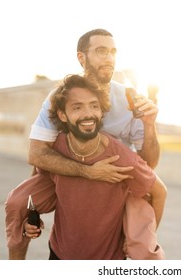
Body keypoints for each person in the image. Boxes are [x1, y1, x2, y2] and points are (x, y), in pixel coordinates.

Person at [5, 29, 161, 259]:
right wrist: (33, 205)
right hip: (70, 170)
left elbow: (149, 164)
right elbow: (38, 154)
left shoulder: (130, 99)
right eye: (100, 51)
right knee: (18, 203)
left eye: (112, 52)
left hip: (116, 176)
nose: (109, 58)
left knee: (144, 236)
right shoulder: (59, 98)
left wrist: (149, 125)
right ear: (82, 57)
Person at [29, 74, 166, 259]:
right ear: (62, 114)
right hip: (59, 254)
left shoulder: (120, 157)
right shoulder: (55, 150)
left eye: (94, 106)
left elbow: (159, 192)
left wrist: (141, 239)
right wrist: (29, 217)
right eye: (77, 107)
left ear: (102, 111)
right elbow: (36, 181)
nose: (88, 113)